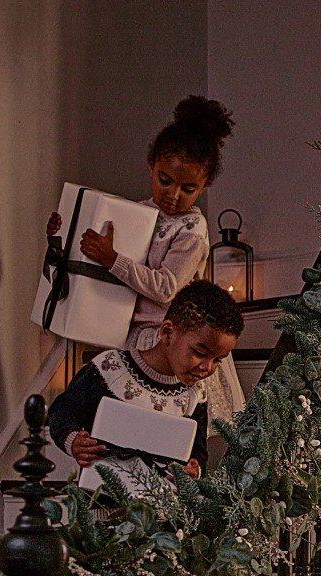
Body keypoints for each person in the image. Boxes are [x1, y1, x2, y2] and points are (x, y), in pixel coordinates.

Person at [47, 280, 244, 576]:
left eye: (218, 359)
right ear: (168, 332)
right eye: (201, 351)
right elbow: (63, 411)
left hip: (153, 519)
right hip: (102, 510)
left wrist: (194, 468)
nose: (206, 367)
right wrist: (73, 439)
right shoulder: (111, 368)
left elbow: (196, 450)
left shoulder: (196, 393)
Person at [46, 95, 245, 444]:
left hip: (169, 337)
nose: (173, 195)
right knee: (124, 425)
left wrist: (113, 259)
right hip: (129, 333)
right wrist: (61, 236)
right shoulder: (137, 214)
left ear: (205, 185)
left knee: (171, 430)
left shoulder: (191, 230)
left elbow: (166, 287)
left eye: (188, 188)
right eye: (165, 180)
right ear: (151, 165)